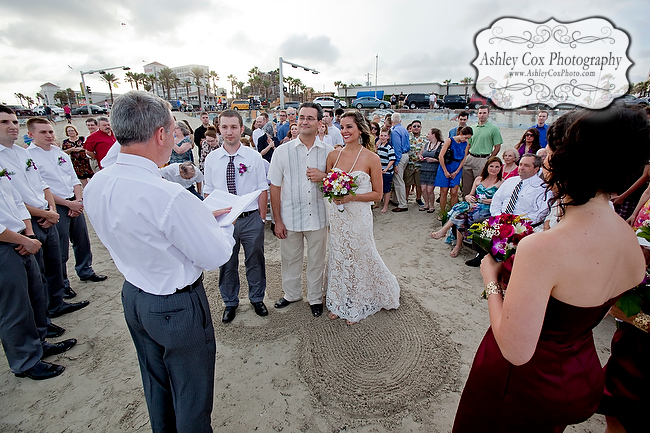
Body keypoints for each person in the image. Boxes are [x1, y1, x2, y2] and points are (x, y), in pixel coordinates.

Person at [452, 106, 650, 432]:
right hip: (579, 374)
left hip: (521, 385)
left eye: (549, 155)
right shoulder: (630, 244)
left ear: (566, 163)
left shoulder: (541, 249)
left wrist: (490, 278)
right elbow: (610, 304)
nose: (544, 161)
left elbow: (516, 351)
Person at [84, 90, 236, 432]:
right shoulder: (167, 196)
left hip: (135, 296)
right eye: (173, 130)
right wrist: (223, 226)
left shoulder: (98, 183)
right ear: (161, 134)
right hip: (175, 306)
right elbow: (216, 254)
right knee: (192, 399)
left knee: (157, 387)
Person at [0, 109, 90, 318]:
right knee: (38, 273)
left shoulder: (21, 154)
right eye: (5, 122)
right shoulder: (24, 154)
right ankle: (45, 315)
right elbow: (13, 199)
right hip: (28, 219)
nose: (12, 125)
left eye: (14, 121)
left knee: (53, 262)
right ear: (31, 134)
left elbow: (42, 186)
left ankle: (56, 304)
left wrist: (51, 210)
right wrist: (47, 213)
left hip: (48, 212)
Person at [325, 110, 400, 325]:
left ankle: (356, 305)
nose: (345, 130)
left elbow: (377, 194)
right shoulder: (333, 155)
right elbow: (328, 185)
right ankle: (338, 301)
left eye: (349, 126)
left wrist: (351, 196)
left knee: (359, 255)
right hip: (338, 216)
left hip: (359, 216)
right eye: (342, 126)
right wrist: (335, 194)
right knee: (339, 254)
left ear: (360, 129)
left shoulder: (372, 158)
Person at [26, 117, 107, 299]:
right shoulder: (29, 157)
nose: (48, 135)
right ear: (31, 134)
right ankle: (62, 284)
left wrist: (78, 200)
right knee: (59, 249)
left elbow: (73, 178)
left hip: (74, 201)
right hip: (55, 206)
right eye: (43, 132)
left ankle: (85, 269)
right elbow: (41, 186)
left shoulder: (60, 154)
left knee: (82, 240)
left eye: (50, 131)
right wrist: (67, 204)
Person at [268, 102, 334, 318]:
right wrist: (277, 220)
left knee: (316, 260)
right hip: (290, 217)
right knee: (289, 259)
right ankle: (292, 294)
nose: (304, 121)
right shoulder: (282, 151)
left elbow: (337, 184)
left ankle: (315, 298)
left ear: (319, 122)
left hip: (318, 216)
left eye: (310, 118)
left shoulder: (329, 152)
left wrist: (323, 177)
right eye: (301, 117)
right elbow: (275, 187)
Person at [204, 109, 269, 323]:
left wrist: (260, 219)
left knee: (255, 260)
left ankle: (257, 298)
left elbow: (262, 188)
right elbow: (208, 190)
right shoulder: (212, 159)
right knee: (227, 262)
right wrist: (211, 219)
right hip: (224, 221)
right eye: (224, 127)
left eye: (234, 127)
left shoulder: (253, 157)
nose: (229, 132)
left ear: (242, 129)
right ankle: (230, 302)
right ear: (219, 129)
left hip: (250, 218)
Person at [431, 156, 503, 257]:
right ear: (487, 167)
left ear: (500, 168)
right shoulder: (479, 179)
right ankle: (458, 245)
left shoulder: (502, 183)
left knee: (462, 208)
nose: (494, 169)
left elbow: (501, 201)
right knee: (461, 215)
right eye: (491, 166)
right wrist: (468, 197)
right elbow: (470, 194)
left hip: (487, 208)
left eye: (497, 167)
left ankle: (444, 230)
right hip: (474, 206)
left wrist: (487, 201)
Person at [462, 105, 502, 196]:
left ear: (488, 114)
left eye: (484, 113)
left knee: (480, 185)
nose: (482, 115)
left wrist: (489, 159)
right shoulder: (472, 128)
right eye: (480, 113)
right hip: (470, 157)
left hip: (483, 158)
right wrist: (464, 157)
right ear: (477, 114)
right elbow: (468, 145)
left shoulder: (494, 128)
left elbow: (497, 147)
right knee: (466, 185)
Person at [435, 126, 472, 220]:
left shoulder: (466, 144)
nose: (466, 139)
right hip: (446, 165)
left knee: (454, 192)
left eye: (468, 138)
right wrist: (445, 171)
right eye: (465, 137)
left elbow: (464, 158)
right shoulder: (450, 140)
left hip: (457, 166)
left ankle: (454, 213)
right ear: (461, 134)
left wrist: (457, 171)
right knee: (443, 192)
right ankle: (443, 213)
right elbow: (441, 156)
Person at [390, 112, 411, 212]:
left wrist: (396, 163)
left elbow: (397, 147)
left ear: (392, 121)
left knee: (398, 180)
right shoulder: (404, 130)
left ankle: (402, 204)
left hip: (400, 156)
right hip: (406, 154)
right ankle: (397, 199)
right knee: (399, 179)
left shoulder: (395, 131)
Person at [419, 128, 443, 213]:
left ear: (434, 135)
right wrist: (420, 157)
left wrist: (434, 160)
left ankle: (432, 205)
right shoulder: (426, 145)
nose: (427, 135)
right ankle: (426, 204)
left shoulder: (441, 145)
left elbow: (443, 158)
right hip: (424, 168)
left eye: (429, 134)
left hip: (433, 169)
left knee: (430, 189)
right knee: (423, 189)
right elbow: (421, 154)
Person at [405, 120, 425, 207]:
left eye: (418, 126)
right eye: (414, 126)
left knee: (418, 184)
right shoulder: (407, 137)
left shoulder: (425, 138)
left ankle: (418, 198)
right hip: (409, 164)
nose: (416, 128)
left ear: (420, 128)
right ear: (411, 127)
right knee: (407, 183)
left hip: (420, 165)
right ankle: (405, 198)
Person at [376, 127, 395, 213]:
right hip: (380, 171)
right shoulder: (380, 146)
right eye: (381, 135)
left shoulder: (389, 147)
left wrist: (386, 169)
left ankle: (385, 206)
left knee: (387, 189)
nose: (383, 137)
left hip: (387, 172)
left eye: (385, 136)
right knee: (379, 188)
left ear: (388, 137)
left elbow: (392, 159)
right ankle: (378, 203)